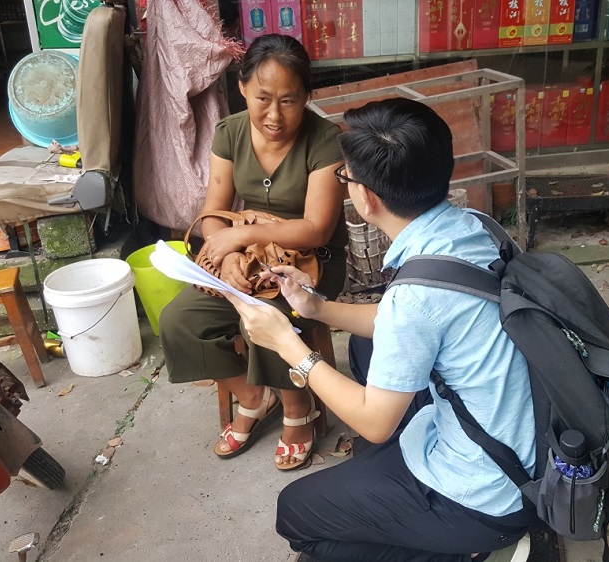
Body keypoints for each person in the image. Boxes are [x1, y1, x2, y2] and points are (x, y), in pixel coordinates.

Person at [224, 98, 538, 561]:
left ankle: (452, 548)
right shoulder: (474, 227)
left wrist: (288, 345)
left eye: (345, 177)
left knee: (295, 514)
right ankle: (396, 500)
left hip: (484, 497)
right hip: (524, 447)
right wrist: (316, 307)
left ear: (366, 197)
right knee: (365, 347)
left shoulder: (415, 296)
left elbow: (374, 422)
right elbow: (407, 322)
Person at [159, 34, 347, 471]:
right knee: (180, 320)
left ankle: (299, 407)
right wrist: (226, 258)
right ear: (242, 88)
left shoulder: (325, 140)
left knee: (266, 311)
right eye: (263, 98)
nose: (274, 115)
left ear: (306, 96)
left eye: (289, 100)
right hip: (249, 258)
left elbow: (316, 228)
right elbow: (214, 212)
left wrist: (237, 240)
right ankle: (253, 396)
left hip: (311, 262)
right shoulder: (230, 133)